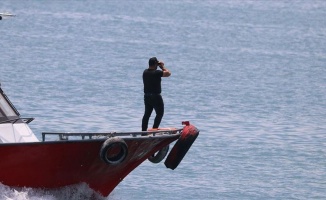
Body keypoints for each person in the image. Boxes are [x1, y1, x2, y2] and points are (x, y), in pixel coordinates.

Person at [141, 57, 171, 132]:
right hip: (156, 96)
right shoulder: (157, 72)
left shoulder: (145, 72)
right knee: (160, 113)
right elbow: (168, 74)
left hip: (147, 96)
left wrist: (157, 65)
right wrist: (162, 67)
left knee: (147, 115)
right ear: (155, 64)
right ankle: (154, 130)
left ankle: (143, 132)